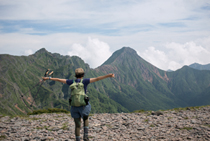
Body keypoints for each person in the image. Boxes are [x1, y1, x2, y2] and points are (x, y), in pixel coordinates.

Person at [42, 68, 115, 141]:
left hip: (74, 106)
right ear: (83, 75)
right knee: (85, 118)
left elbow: (58, 79)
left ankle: (78, 139)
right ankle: (85, 136)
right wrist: (108, 75)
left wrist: (48, 78)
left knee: (77, 125)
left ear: (75, 75)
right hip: (83, 106)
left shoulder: (71, 82)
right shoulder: (85, 81)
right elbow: (97, 78)